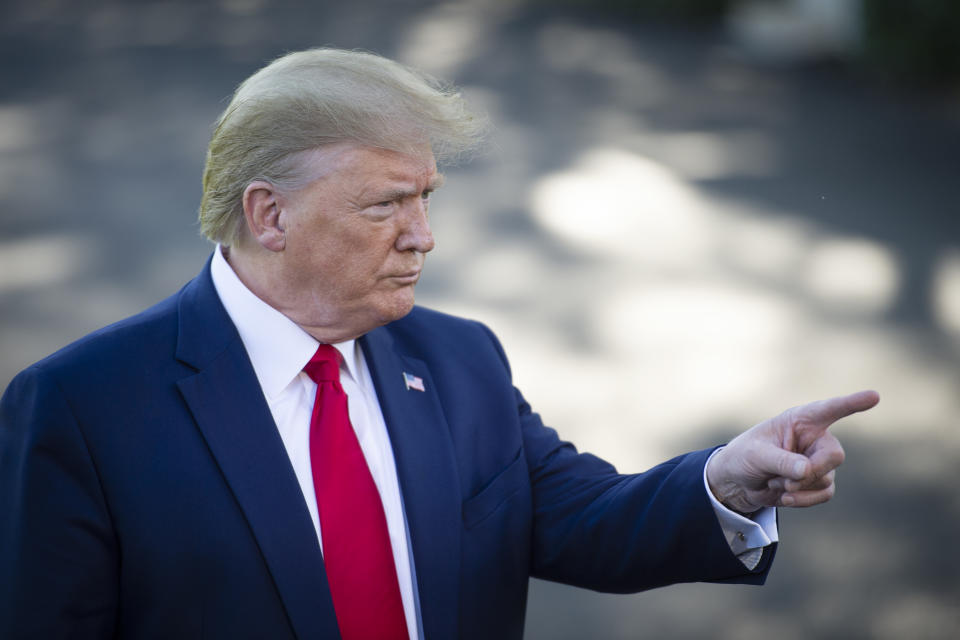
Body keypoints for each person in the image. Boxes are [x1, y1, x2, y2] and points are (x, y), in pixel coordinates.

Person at [0, 48, 878, 640]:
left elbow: (576, 518)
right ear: (269, 214)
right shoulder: (81, 407)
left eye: (427, 198)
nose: (424, 236)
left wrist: (725, 480)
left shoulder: (459, 359)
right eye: (386, 205)